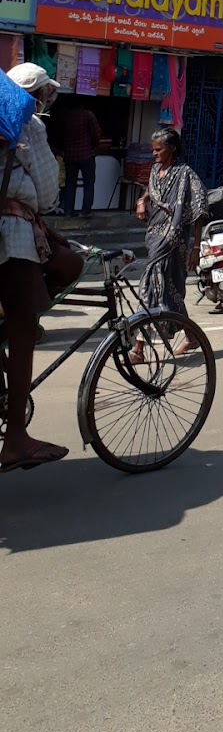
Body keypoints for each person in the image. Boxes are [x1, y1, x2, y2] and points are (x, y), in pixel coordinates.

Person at [0, 93, 70, 472]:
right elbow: (45, 194)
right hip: (10, 238)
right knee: (23, 331)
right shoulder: (24, 119)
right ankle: (16, 439)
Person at [8, 64, 83, 300]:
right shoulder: (30, 123)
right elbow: (46, 191)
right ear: (38, 94)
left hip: (17, 219)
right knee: (71, 266)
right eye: (46, 94)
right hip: (14, 228)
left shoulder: (6, 116)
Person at [132, 128, 207, 360]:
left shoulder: (186, 174)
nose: (154, 154)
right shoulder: (155, 170)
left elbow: (199, 209)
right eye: (152, 149)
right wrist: (141, 201)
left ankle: (138, 347)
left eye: (158, 149)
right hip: (154, 235)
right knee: (169, 290)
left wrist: (196, 247)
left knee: (150, 284)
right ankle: (192, 337)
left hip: (174, 240)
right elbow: (150, 192)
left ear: (172, 149)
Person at [61, 103, 102, 217]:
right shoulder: (88, 115)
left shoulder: (67, 116)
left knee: (70, 184)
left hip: (70, 155)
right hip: (86, 154)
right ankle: (86, 211)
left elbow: (60, 134)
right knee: (88, 183)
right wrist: (93, 146)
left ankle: (68, 211)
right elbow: (96, 134)